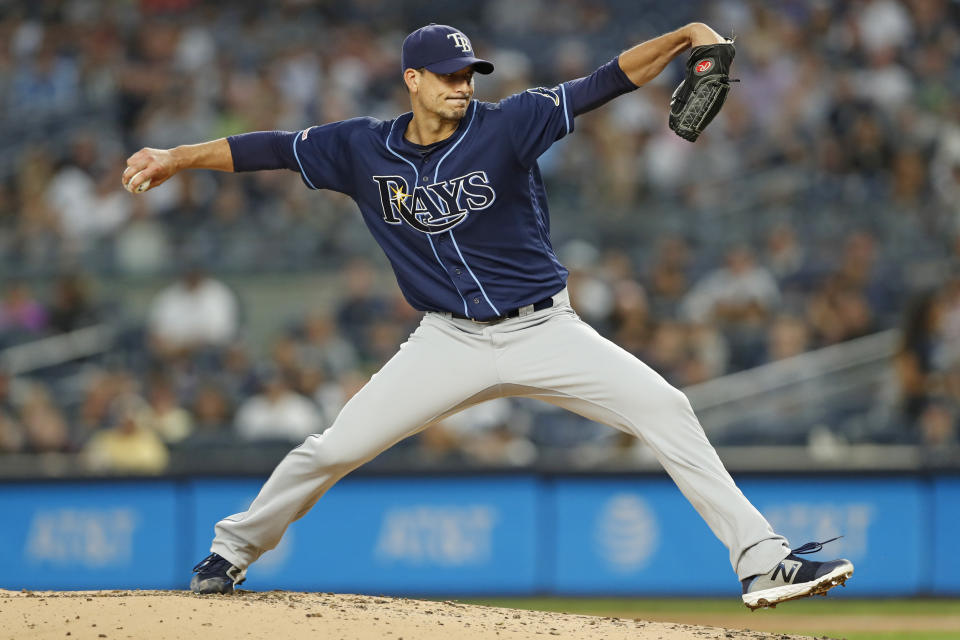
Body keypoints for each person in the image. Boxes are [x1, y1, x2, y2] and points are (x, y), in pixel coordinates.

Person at [123, 23, 853, 609]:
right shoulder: (359, 148)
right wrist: (178, 158)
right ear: (411, 79)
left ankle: (763, 563)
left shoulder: (510, 124)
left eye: (469, 74)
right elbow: (269, 150)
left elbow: (605, 80)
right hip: (447, 341)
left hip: (544, 330)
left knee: (666, 406)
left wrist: (687, 33)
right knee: (335, 447)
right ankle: (229, 553)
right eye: (448, 75)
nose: (462, 86)